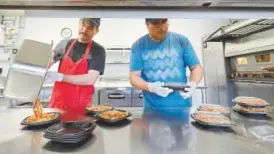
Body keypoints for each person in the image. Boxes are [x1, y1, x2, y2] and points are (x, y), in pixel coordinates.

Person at [129, 18, 203, 114]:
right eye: (155, 23)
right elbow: (134, 77)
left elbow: (196, 67)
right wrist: (150, 87)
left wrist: (193, 83)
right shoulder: (138, 46)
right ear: (147, 25)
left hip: (182, 109)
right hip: (153, 111)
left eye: (164, 21)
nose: (162, 27)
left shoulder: (181, 41)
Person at [45, 18, 106, 115]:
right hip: (58, 106)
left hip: (81, 109)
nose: (84, 30)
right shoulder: (64, 44)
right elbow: (48, 63)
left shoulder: (98, 50)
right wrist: (38, 71)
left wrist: (61, 77)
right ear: (78, 24)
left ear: (97, 31)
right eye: (83, 25)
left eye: (90, 27)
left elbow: (90, 79)